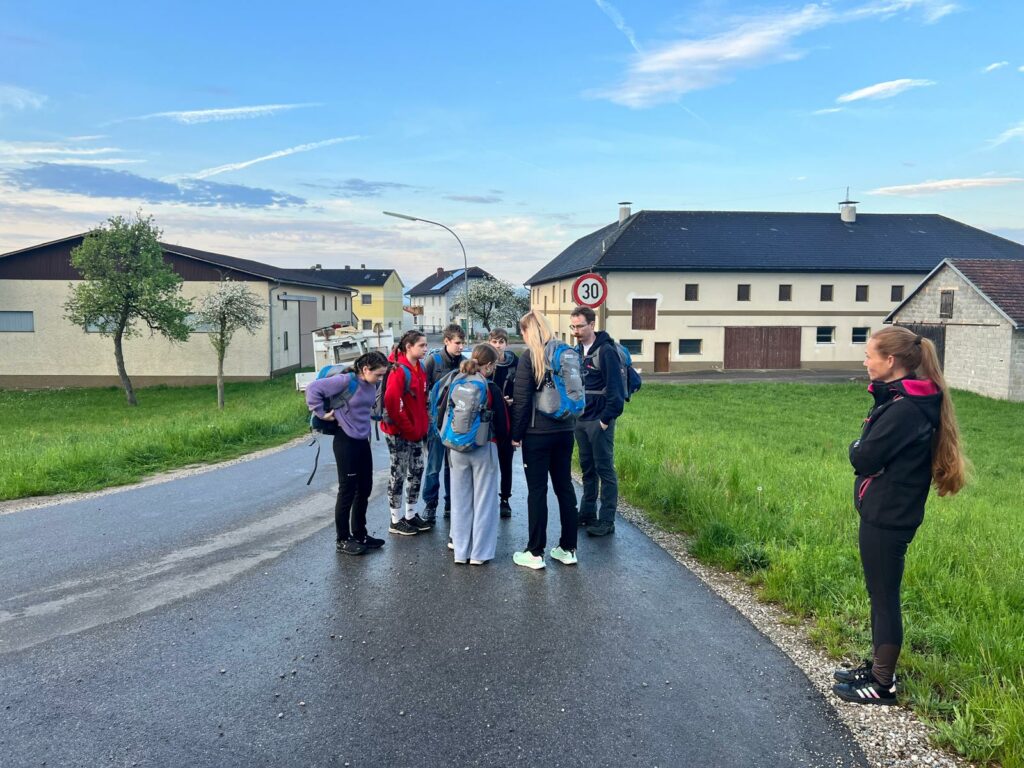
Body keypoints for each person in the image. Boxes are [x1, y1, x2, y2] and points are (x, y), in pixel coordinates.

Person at [833, 326, 966, 705]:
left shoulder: (906, 409)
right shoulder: (903, 400)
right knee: (880, 593)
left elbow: (864, 456)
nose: (865, 361)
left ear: (890, 360)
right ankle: (877, 667)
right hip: (889, 509)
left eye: (869, 355)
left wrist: (856, 446)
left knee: (884, 596)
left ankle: (882, 683)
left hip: (889, 514)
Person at [509, 310, 579, 569]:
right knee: (565, 487)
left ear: (528, 331)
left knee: (537, 491)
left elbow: (522, 401)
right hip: (565, 430)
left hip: (537, 434)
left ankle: (535, 552)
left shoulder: (530, 357)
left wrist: (516, 436)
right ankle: (568, 549)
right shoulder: (565, 353)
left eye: (523, 332)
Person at [305, 351, 390, 555]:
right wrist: (321, 413)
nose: (380, 379)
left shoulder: (370, 384)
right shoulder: (345, 381)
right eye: (378, 374)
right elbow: (312, 388)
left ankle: (360, 534)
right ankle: (342, 539)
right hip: (345, 440)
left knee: (365, 487)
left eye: (383, 375)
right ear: (365, 369)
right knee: (347, 490)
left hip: (362, 440)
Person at [437, 343, 510, 565]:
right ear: (489, 366)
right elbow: (503, 426)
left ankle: (460, 552)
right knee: (484, 502)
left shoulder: (455, 381)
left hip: (456, 448)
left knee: (460, 502)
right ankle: (479, 554)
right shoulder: (490, 388)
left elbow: (441, 415)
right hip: (484, 447)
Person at [569, 306, 625, 537]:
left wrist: (605, 419)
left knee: (604, 469)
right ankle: (587, 512)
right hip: (581, 419)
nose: (576, 331)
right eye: (573, 327)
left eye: (580, 326)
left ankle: (607, 520)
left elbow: (616, 391)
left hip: (599, 420)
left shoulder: (607, 351)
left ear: (592, 324)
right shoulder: (576, 352)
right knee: (587, 468)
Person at [382, 330, 432, 536]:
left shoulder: (420, 367)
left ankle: (411, 515)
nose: (426, 349)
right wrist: (408, 428)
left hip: (416, 431)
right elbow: (392, 404)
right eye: (422, 345)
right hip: (399, 432)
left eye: (426, 345)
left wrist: (423, 425)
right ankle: (395, 520)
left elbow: (422, 399)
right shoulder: (398, 370)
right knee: (398, 473)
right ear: (409, 347)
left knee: (417, 470)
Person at [421, 323, 466, 523]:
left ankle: (450, 504)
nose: (461, 347)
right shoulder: (433, 361)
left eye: (463, 343)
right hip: (435, 423)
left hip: (456, 423)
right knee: (434, 466)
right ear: (446, 341)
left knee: (452, 467)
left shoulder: (464, 362)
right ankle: (430, 504)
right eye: (457, 343)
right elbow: (422, 390)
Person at [487, 327, 519, 518]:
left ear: (506, 344)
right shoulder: (485, 362)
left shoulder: (515, 363)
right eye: (494, 342)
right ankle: (488, 498)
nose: (498, 346)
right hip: (489, 420)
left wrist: (513, 400)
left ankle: (505, 499)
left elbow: (523, 389)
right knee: (488, 463)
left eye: (501, 342)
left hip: (508, 419)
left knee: (506, 462)